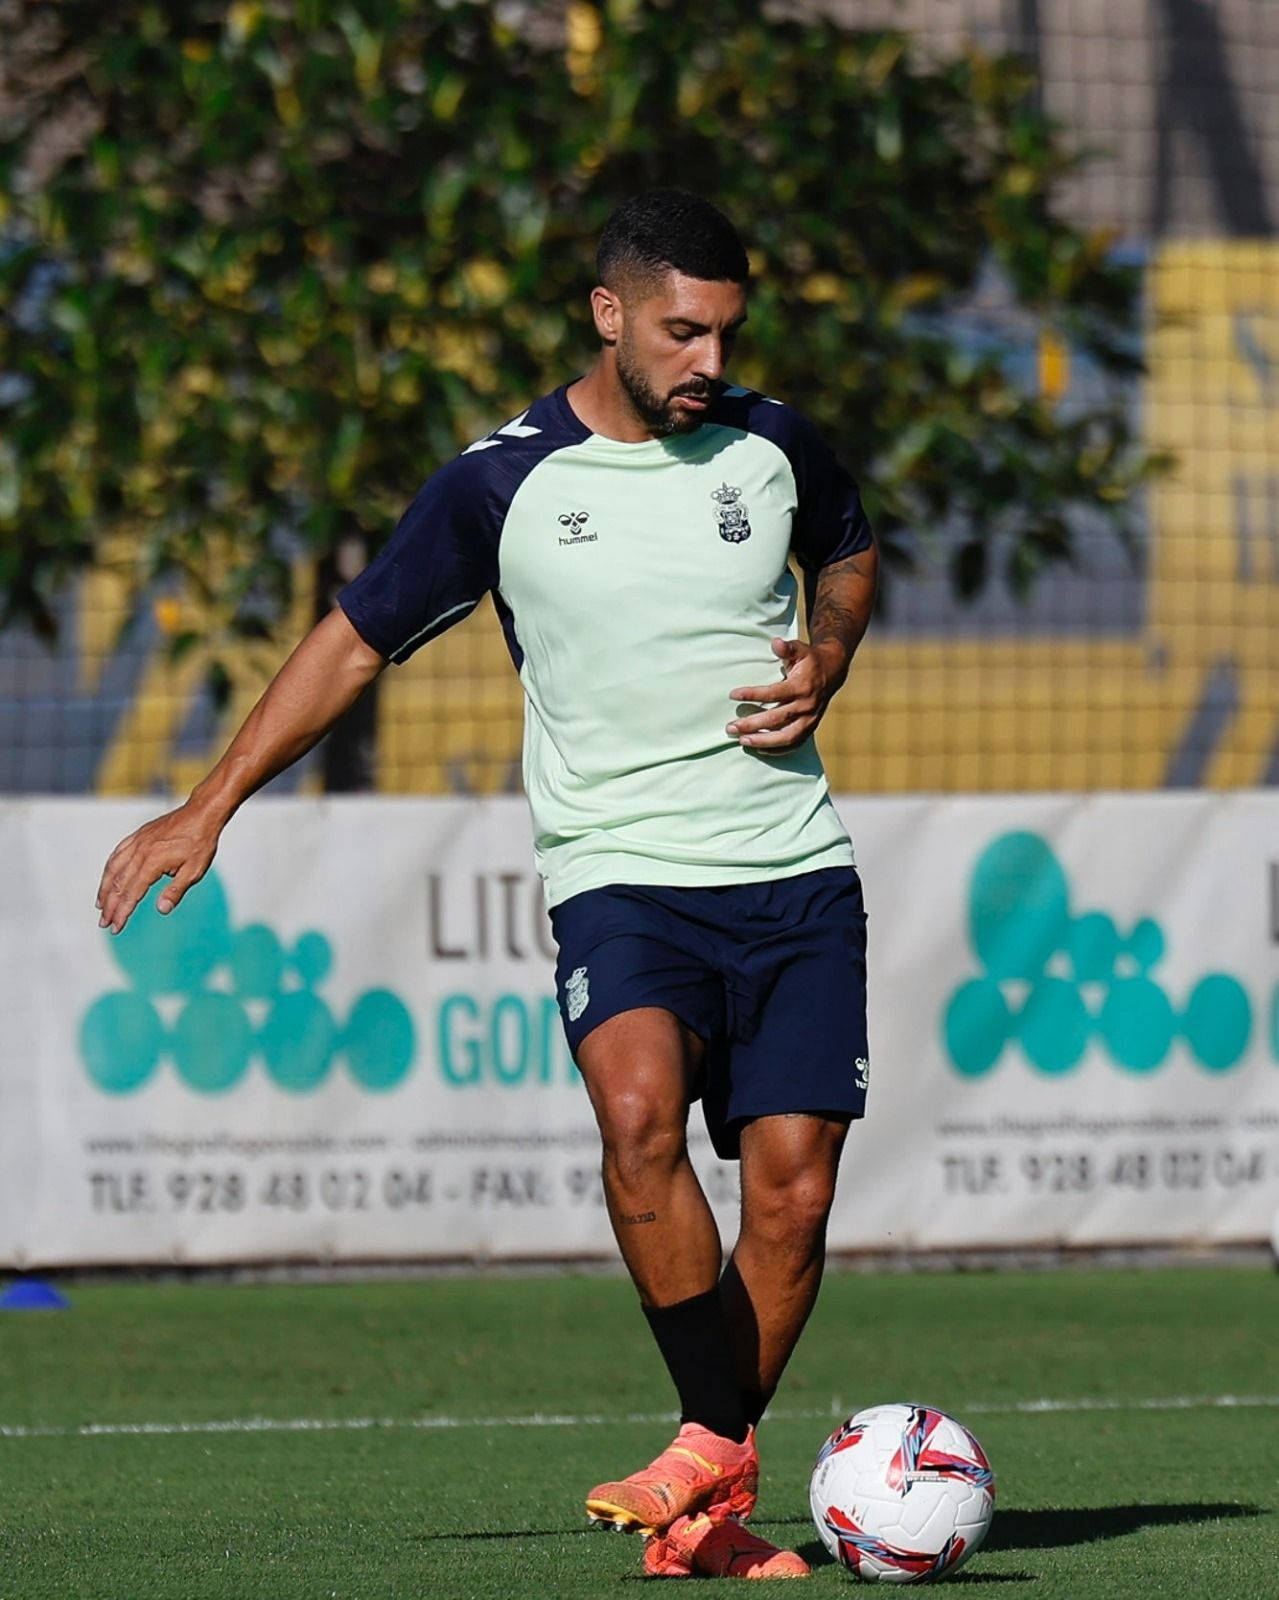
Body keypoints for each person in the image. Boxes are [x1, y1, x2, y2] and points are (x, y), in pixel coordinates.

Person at [96, 189, 878, 1581]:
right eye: (681, 332)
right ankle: (717, 1443)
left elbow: (853, 553)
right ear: (610, 315)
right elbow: (350, 644)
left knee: (796, 1197)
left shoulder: (776, 446)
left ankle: (704, 1493)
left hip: (793, 869)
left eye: (727, 333)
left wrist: (828, 649)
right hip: (619, 876)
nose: (709, 360)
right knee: (638, 1125)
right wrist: (207, 804)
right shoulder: (504, 482)